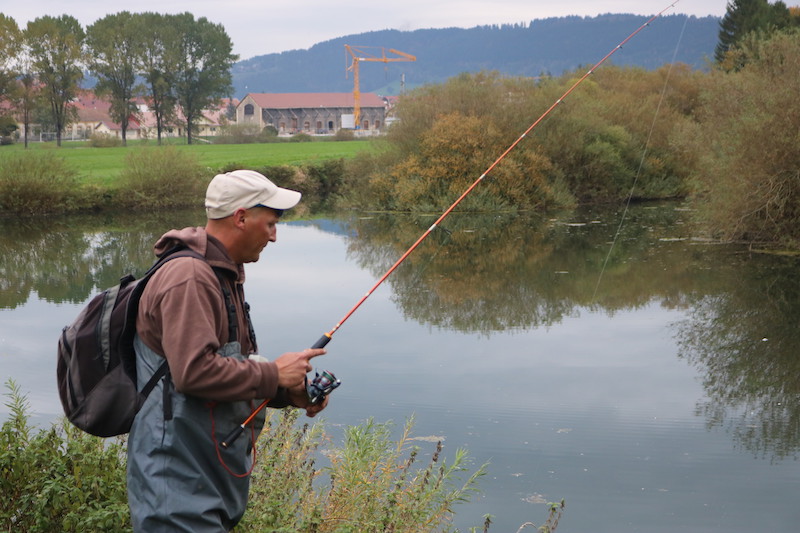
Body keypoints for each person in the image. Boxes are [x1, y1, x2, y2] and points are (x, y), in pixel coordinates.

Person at [126, 169, 328, 532]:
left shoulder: (222, 274)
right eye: (270, 224)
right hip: (176, 484)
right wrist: (273, 373)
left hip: (207, 476)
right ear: (241, 218)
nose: (274, 235)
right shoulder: (189, 278)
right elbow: (193, 373)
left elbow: (230, 367)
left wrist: (286, 391)